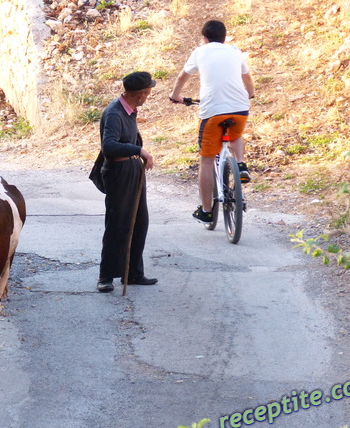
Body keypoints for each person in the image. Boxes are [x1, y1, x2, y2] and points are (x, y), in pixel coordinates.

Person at [169, 20, 255, 224]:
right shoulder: (235, 51)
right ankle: (241, 165)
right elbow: (247, 78)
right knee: (235, 133)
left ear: (204, 37)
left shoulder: (200, 51)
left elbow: (183, 76)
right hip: (240, 109)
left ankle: (207, 210)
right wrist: (250, 94)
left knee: (207, 160)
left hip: (213, 112)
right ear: (224, 38)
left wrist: (175, 95)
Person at [96, 71, 157, 293]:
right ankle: (105, 276)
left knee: (139, 222)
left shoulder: (128, 110)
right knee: (118, 224)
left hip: (132, 170)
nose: (148, 96)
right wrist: (139, 150)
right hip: (119, 173)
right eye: (147, 93)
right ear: (140, 94)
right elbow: (109, 147)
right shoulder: (114, 113)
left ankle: (132, 273)